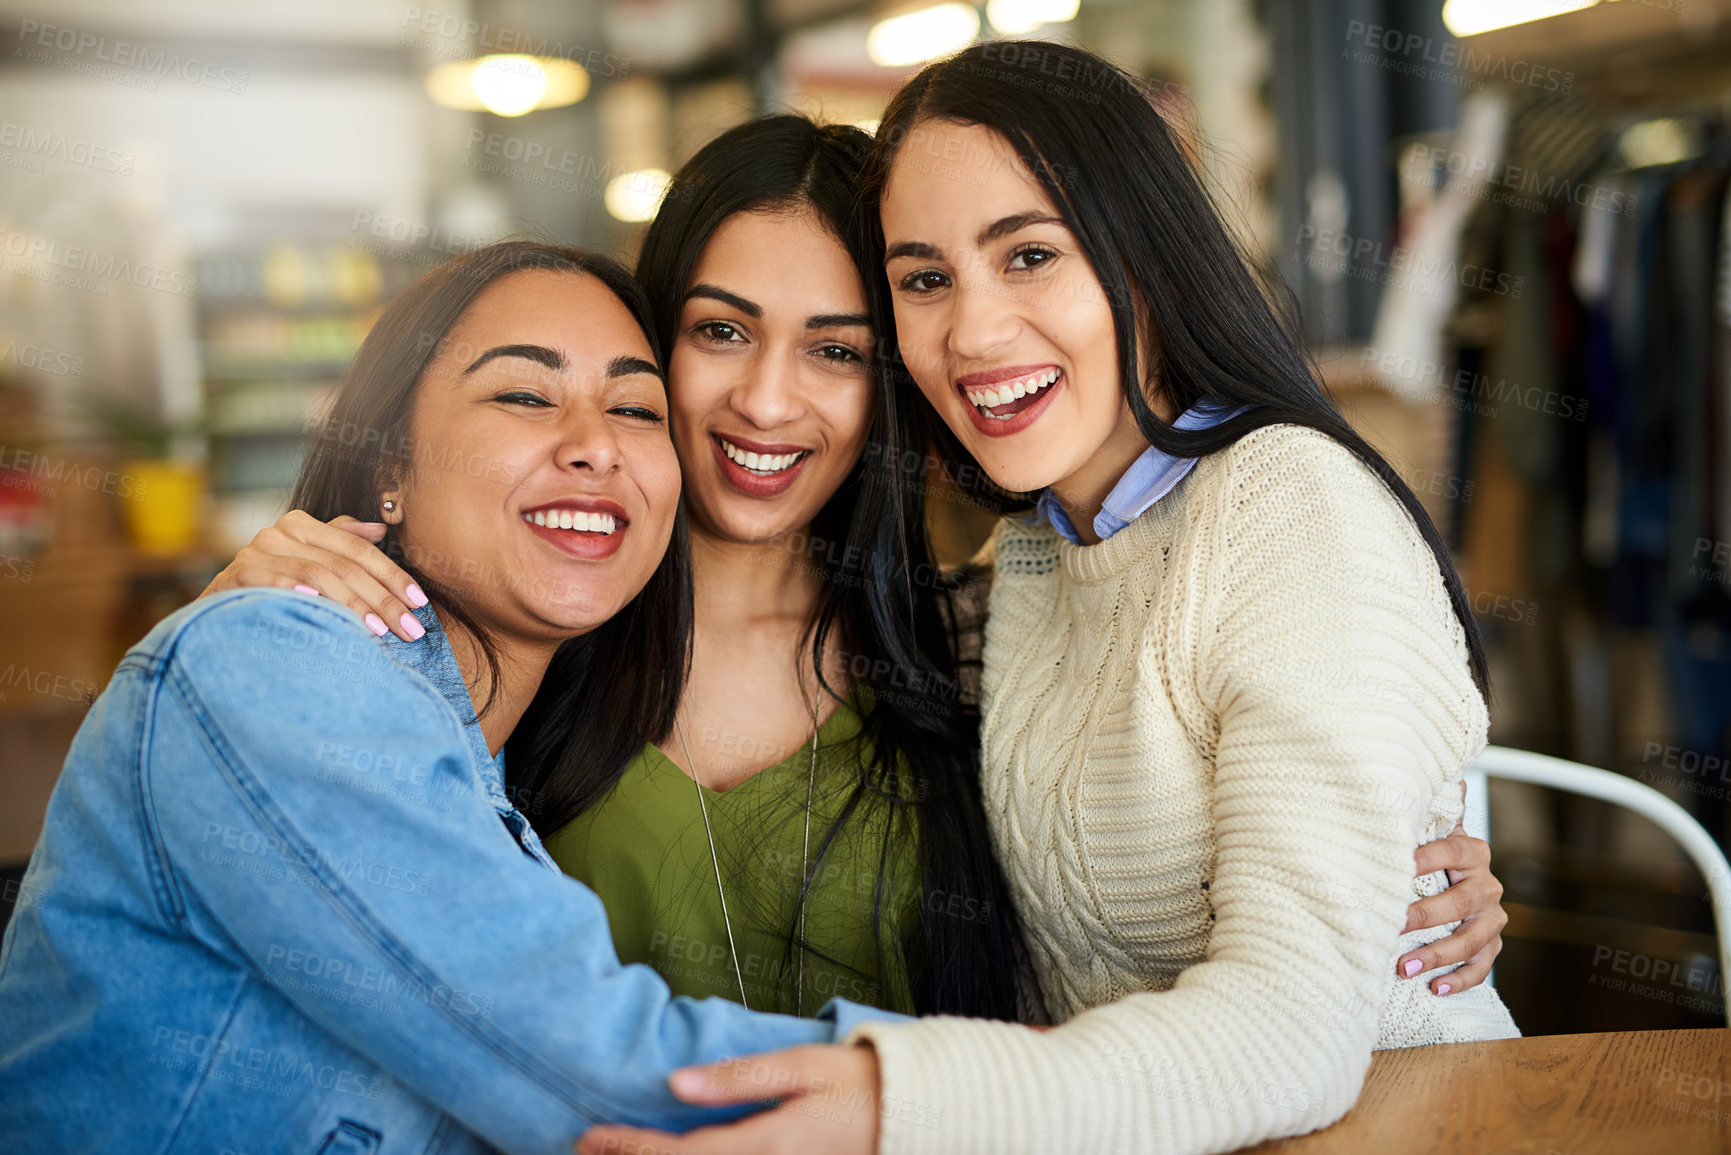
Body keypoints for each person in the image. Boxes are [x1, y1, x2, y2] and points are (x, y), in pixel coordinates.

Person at [207, 116, 1505, 1045]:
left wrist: (1396, 875)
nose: (767, 399)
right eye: (718, 330)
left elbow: (1158, 876)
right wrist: (251, 606)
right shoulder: (527, 625)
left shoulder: (988, 636)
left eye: (835, 349)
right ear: (647, 342)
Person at [579, 41, 1519, 1155]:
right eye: (925, 280)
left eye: (1028, 255)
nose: (972, 333)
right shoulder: (1030, 566)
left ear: (1147, 255)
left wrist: (894, 1103)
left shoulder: (1290, 506)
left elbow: (1296, 1032)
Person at [0, 241, 905, 1155]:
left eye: (636, 409)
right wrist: (1004, 1087)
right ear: (389, 462)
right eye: (524, 394)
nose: (595, 446)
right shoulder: (277, 659)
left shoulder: (503, 769)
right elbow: (598, 1064)